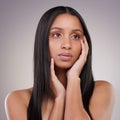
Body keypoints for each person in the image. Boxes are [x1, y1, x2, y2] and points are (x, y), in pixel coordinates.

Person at [5, 6, 114, 120]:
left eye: (75, 36)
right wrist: (59, 99)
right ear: (42, 42)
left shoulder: (102, 90)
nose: (67, 45)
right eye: (57, 35)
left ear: (85, 44)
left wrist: (73, 79)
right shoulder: (17, 100)